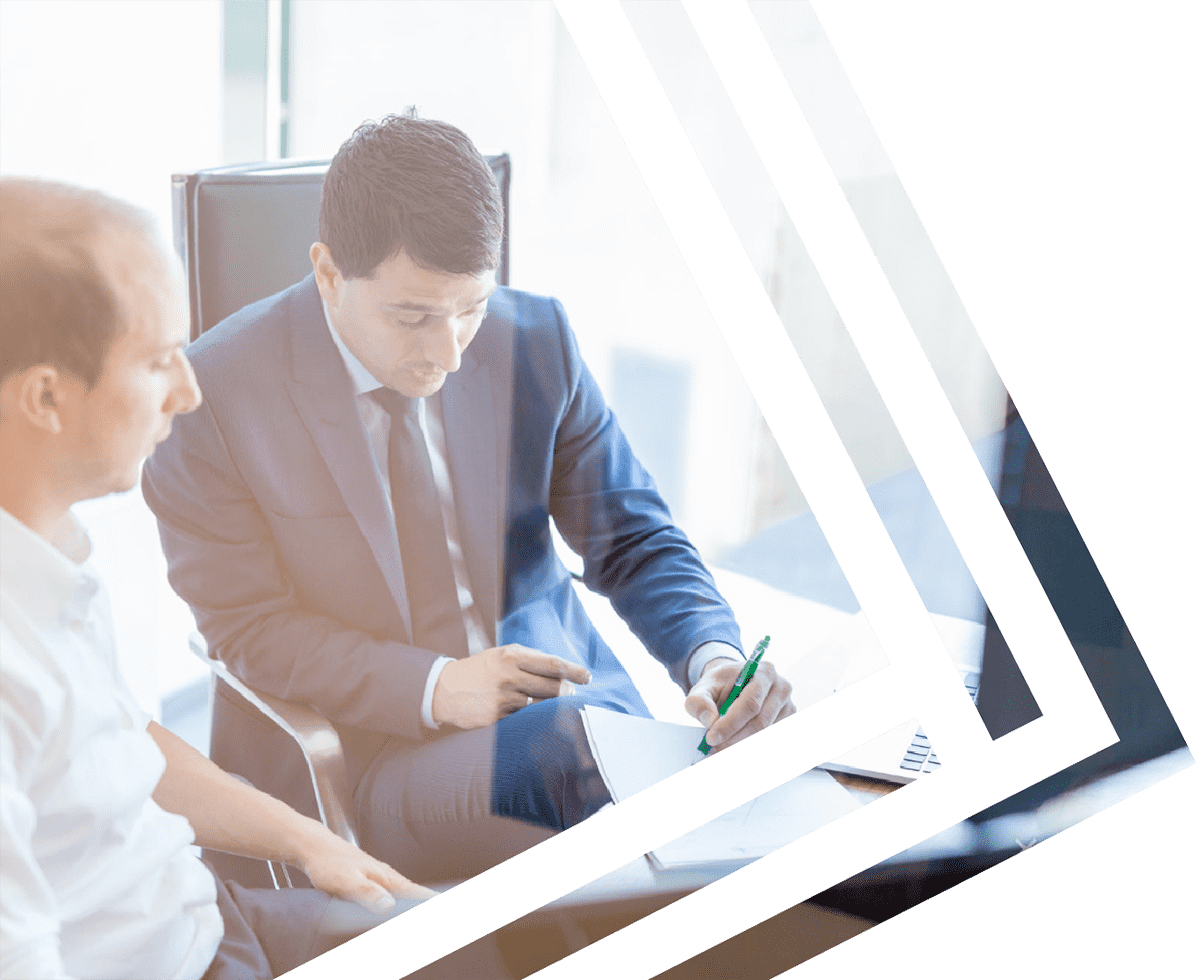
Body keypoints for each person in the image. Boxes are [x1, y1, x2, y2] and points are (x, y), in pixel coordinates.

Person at [142, 111, 797, 882]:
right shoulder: (211, 398)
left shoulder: (535, 340)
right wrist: (436, 688)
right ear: (326, 273)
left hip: (578, 719)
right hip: (384, 749)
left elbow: (632, 537)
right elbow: (251, 629)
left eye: (471, 308)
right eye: (414, 316)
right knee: (603, 789)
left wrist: (712, 657)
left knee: (705, 797)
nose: (449, 351)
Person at [0, 177, 435, 980]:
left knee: (477, 944)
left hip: (208, 915)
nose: (190, 391)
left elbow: (125, 744)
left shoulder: (49, 550)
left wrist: (313, 842)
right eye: (160, 360)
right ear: (47, 397)